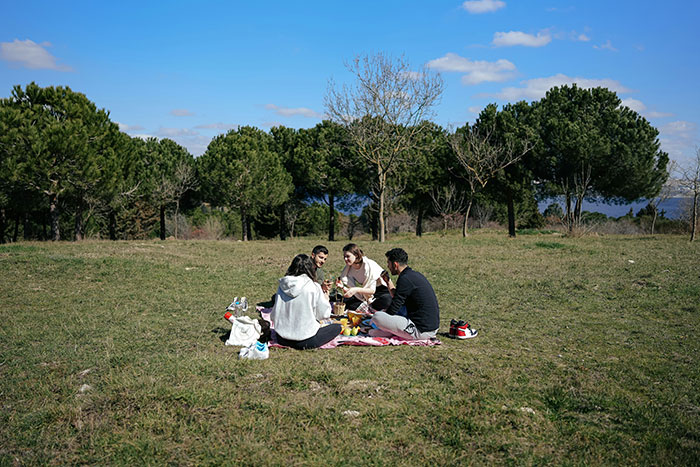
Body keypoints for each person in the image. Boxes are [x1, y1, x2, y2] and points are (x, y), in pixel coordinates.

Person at [271, 254, 342, 350]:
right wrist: (326, 299)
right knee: (337, 327)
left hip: (282, 338)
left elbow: (274, 315)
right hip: (306, 340)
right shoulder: (313, 286)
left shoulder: (283, 285)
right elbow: (324, 315)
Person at [369, 248, 440, 340]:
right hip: (430, 328)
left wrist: (382, 315)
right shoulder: (411, 275)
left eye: (388, 263)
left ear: (395, 264)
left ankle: (397, 332)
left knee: (377, 317)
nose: (388, 266)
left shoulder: (405, 279)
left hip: (421, 330)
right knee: (373, 331)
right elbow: (398, 297)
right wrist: (388, 282)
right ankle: (392, 331)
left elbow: (393, 309)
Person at [338, 243, 392, 311]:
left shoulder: (368, 266)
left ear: (356, 255)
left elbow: (372, 290)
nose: (345, 259)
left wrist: (355, 289)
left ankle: (368, 307)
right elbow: (352, 289)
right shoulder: (349, 269)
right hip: (364, 294)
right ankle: (368, 307)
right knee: (343, 300)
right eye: (344, 256)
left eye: (348, 256)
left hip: (380, 292)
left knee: (387, 300)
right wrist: (343, 287)